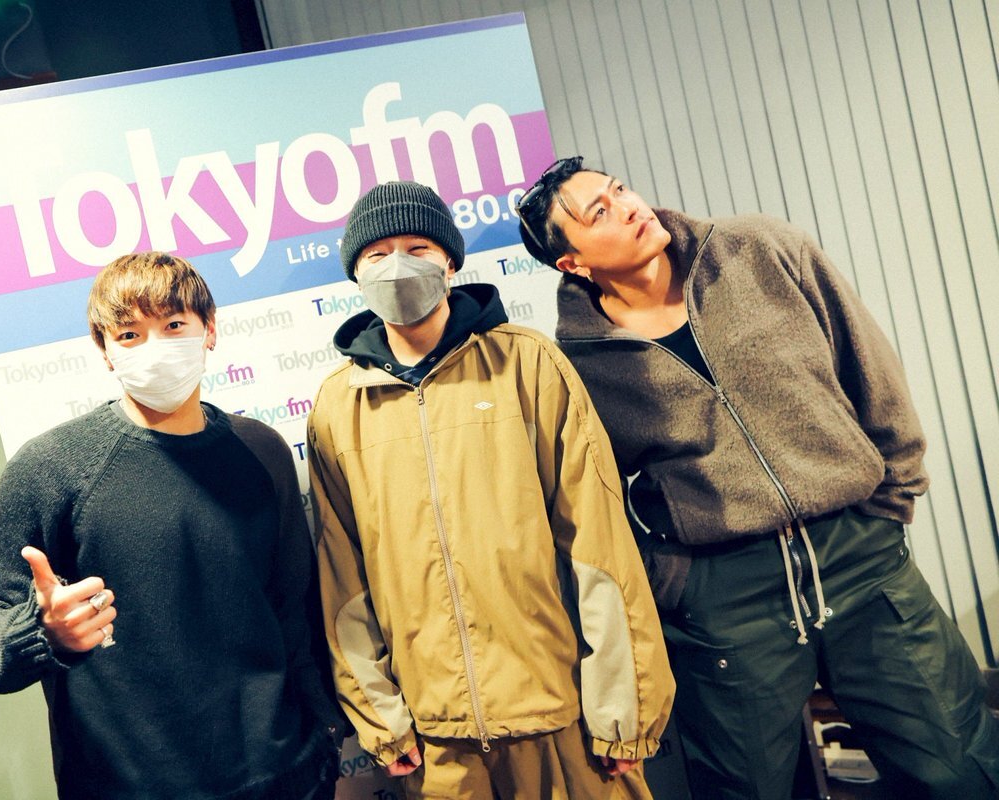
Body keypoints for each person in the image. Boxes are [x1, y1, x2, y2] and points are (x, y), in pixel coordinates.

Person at [514, 156, 999, 799]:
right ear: (572, 262)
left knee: (958, 766)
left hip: (859, 557)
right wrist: (672, 579)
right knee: (746, 790)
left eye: (619, 189)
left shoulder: (759, 250)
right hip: (727, 599)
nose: (629, 206)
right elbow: (591, 495)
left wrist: (893, 494)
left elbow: (868, 365)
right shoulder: (579, 362)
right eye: (599, 211)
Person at [306, 181, 674, 799]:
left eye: (418, 248)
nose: (397, 266)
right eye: (377, 254)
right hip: (437, 740)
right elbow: (343, 575)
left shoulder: (528, 364)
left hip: (560, 715)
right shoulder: (339, 407)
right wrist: (381, 719)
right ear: (355, 273)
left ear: (450, 261)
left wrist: (622, 706)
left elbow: (598, 542)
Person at [0, 252, 341, 800]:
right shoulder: (50, 468)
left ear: (210, 330)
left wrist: (323, 735)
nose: (155, 348)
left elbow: (294, 608)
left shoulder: (261, 450)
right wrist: (42, 631)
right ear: (104, 350)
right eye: (130, 334)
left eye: (174, 325)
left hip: (285, 776)